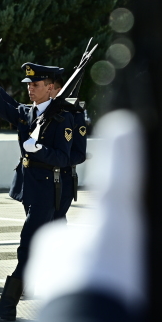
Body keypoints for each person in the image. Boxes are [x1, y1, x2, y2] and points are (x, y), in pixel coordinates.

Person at [0, 60, 74, 321]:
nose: (30, 88)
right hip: (29, 188)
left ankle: (8, 305)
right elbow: (1, 104)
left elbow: (65, 158)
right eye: (29, 84)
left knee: (28, 245)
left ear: (51, 88)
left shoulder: (63, 118)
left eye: (36, 84)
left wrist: (40, 150)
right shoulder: (26, 113)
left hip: (46, 190)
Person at [48, 75, 87, 224]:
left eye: (51, 89)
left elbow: (79, 153)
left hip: (62, 177)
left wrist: (55, 159)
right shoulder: (42, 112)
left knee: (56, 220)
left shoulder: (74, 115)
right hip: (42, 178)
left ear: (59, 90)